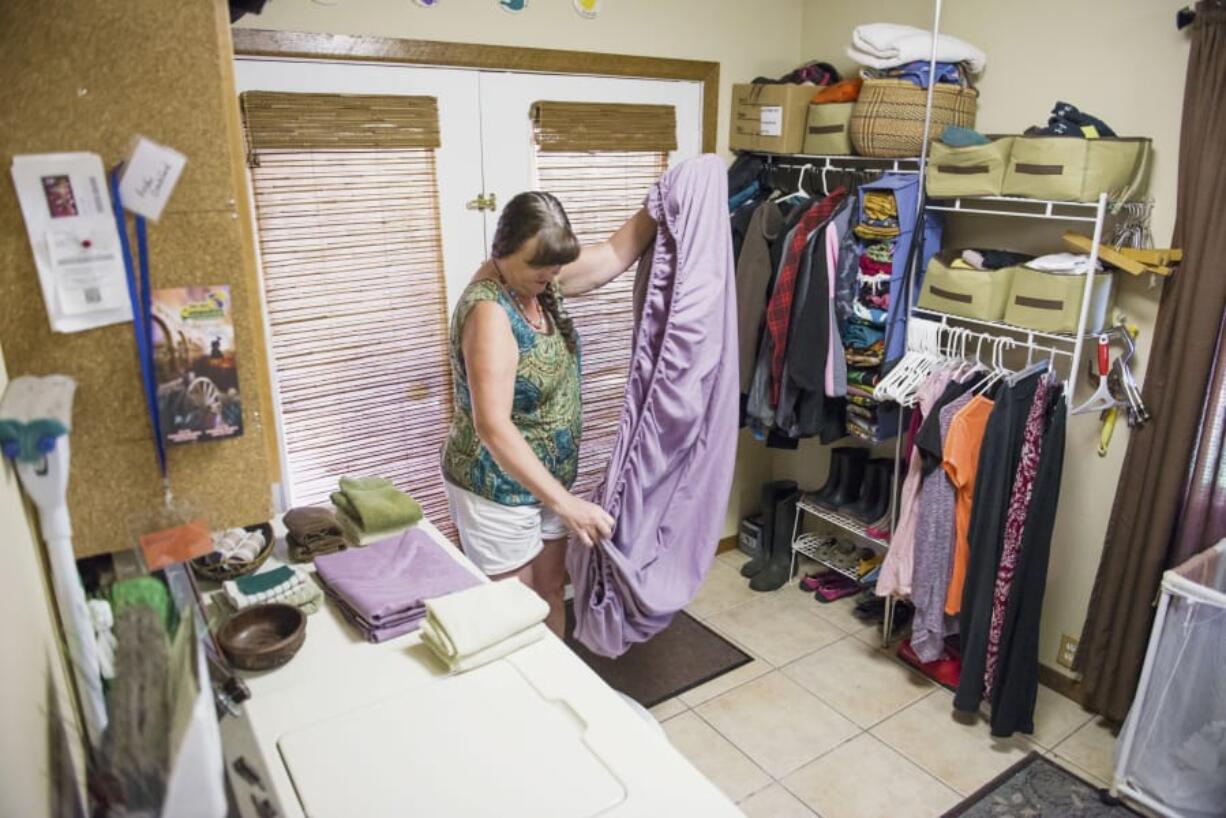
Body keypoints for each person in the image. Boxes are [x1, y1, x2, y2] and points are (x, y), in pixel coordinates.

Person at [442, 191, 657, 636]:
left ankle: (559, 695)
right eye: (541, 265)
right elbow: (492, 426)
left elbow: (617, 253)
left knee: (549, 594)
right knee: (517, 619)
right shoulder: (489, 312)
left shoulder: (538, 281)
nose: (552, 274)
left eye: (557, 264)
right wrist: (569, 505)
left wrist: (666, 199)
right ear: (502, 252)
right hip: (497, 489)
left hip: (550, 482)